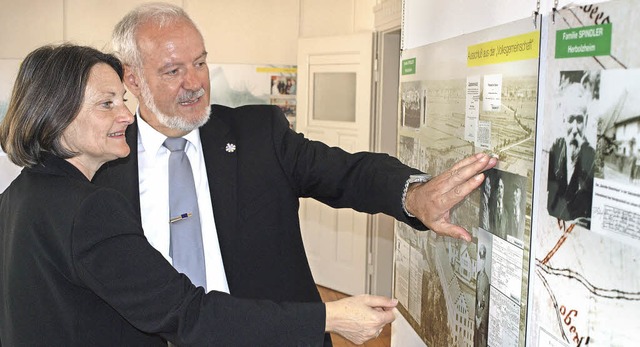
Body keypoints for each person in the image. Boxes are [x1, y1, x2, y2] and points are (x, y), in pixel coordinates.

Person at [93, 4, 497, 345]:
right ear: (132, 78)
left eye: (200, 62)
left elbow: (346, 172)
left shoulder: (257, 134)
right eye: (172, 71)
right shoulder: (102, 161)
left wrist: (414, 195)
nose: (195, 82)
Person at [0, 44, 399, 346]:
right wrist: (327, 317)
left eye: (122, 99)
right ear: (54, 114)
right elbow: (186, 312)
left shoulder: (21, 193)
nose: (126, 114)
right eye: (107, 104)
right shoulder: (90, 208)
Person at [547, 82, 595, 229]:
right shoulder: (554, 150)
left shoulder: (592, 158)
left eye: (579, 120)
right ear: (563, 121)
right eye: (570, 120)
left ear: (586, 121)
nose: (575, 129)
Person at [474, 244, 490, 347]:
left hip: (482, 317)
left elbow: (487, 303)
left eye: (483, 260)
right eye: (480, 259)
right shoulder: (478, 275)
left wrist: (481, 319)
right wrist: (476, 316)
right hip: (476, 313)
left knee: (481, 342)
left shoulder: (486, 279)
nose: (482, 262)